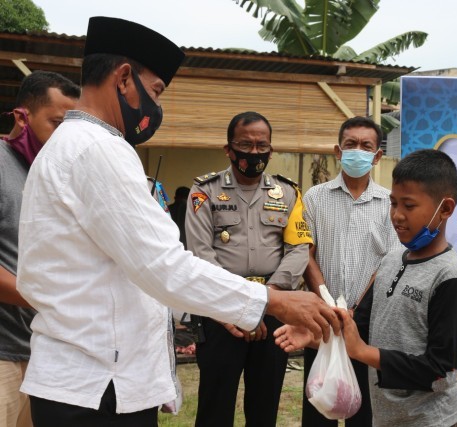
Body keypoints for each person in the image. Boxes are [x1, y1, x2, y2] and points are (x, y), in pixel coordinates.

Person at [16, 17, 339, 427]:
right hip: (97, 387)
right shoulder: (97, 150)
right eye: (155, 91)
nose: (156, 106)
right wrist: (274, 301)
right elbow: (164, 265)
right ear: (124, 78)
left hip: (94, 376)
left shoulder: (71, 146)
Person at [276, 149, 457, 427]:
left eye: (409, 205)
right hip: (387, 419)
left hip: (434, 421)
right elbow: (361, 326)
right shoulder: (392, 260)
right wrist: (319, 335)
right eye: (393, 204)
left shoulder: (449, 276)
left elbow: (440, 371)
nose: (397, 215)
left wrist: (363, 352)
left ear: (445, 208)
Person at [185, 111, 313, 426]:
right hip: (220, 312)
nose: (254, 153)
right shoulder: (205, 191)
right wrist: (237, 304)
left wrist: (267, 296)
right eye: (245, 144)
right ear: (229, 149)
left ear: (271, 150)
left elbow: (299, 248)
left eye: (261, 146)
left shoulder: (287, 192)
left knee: (265, 403)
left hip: (274, 309)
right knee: (215, 404)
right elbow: (200, 253)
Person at [301, 116, 402, 426]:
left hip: (368, 321)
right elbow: (306, 253)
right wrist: (327, 300)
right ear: (338, 150)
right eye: (351, 144)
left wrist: (358, 309)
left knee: (365, 409)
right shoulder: (315, 197)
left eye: (366, 146)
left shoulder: (389, 202)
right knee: (319, 403)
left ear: (377, 155)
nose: (358, 150)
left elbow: (390, 259)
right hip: (321, 319)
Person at [0, 71, 79, 427]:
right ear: (22, 117)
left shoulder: (60, 176)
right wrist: (54, 301)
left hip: (46, 351)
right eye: (56, 124)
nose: (64, 139)